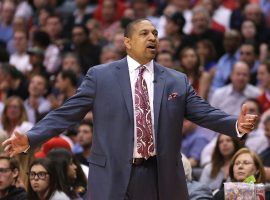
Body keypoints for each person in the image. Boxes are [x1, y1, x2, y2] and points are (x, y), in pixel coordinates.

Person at [2, 19, 257, 200]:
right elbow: (66, 112)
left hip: (160, 175)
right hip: (113, 173)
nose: (153, 38)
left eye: (155, 33)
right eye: (145, 33)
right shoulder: (100, 76)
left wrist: (235, 124)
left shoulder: (176, 80)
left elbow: (203, 111)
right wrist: (31, 137)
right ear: (127, 41)